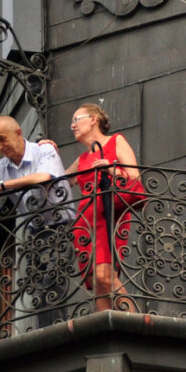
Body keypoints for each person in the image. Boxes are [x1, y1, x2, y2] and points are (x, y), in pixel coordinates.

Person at [0, 117, 71, 329]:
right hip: (36, 230)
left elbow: (43, 177)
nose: (0, 147)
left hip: (63, 224)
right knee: (40, 286)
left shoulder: (44, 151)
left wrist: (1, 187)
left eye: (2, 139)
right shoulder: (2, 167)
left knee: (54, 281)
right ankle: (48, 332)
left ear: (18, 132)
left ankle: (60, 330)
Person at [68, 102, 144, 311]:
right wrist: (46, 149)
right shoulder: (82, 158)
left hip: (108, 212)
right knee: (96, 281)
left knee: (105, 274)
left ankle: (134, 319)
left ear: (93, 119)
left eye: (76, 120)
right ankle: (107, 326)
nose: (73, 126)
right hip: (85, 220)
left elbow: (134, 177)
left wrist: (111, 169)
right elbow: (58, 180)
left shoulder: (115, 141)